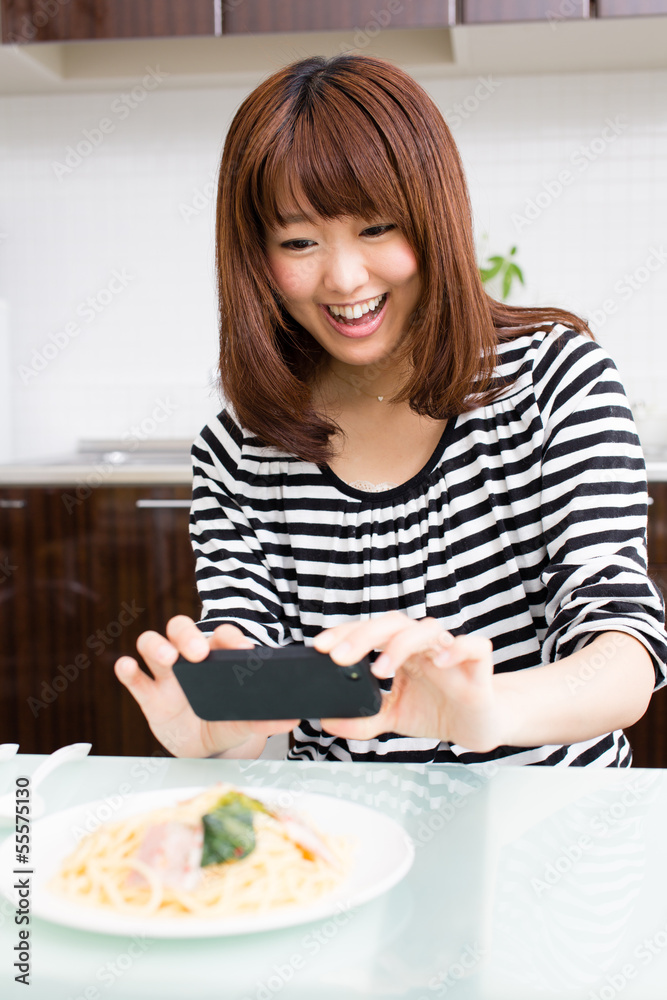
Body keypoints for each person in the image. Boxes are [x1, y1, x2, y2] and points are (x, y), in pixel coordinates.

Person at [114, 54, 667, 767]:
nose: (344, 278)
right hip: (346, 847)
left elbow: (621, 652)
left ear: (435, 218)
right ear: (255, 257)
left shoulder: (555, 378)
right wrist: (220, 728)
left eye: (375, 228)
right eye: (298, 242)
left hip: (556, 836)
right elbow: (246, 673)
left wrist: (487, 710)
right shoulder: (239, 452)